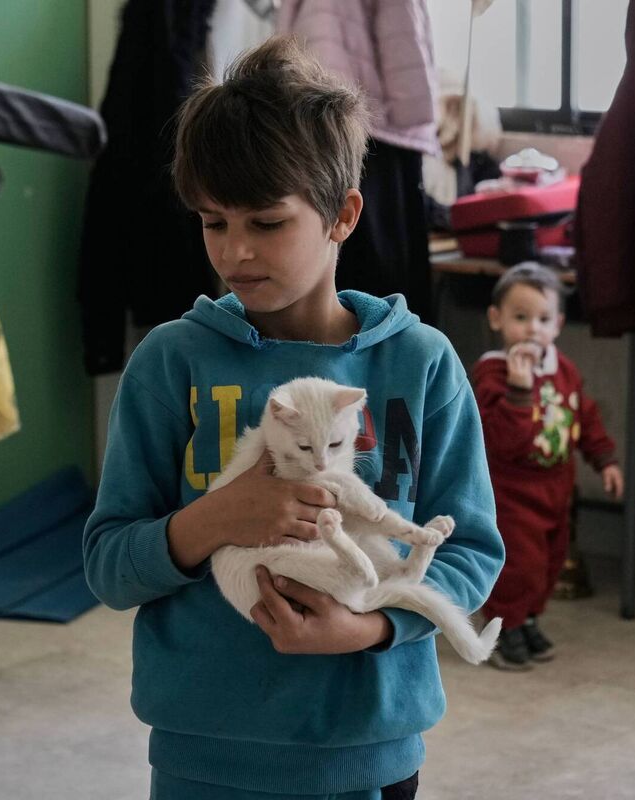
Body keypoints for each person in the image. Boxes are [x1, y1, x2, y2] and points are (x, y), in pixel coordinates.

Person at [82, 36, 504, 800]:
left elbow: (470, 550)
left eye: (267, 222)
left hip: (368, 750)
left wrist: (369, 627)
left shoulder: (422, 363)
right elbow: (109, 566)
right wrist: (214, 519)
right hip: (204, 756)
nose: (236, 252)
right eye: (213, 222)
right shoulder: (171, 362)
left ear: (343, 215)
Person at [473, 263, 623, 671]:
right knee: (517, 565)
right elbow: (502, 440)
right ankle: (502, 628)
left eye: (542, 319)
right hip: (511, 493)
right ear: (496, 319)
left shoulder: (564, 370)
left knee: (548, 563)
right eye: (520, 317)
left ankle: (527, 619)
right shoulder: (493, 373)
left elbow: (584, 416)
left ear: (557, 324)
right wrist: (519, 391)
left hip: (557, 490)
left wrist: (605, 459)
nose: (532, 329)